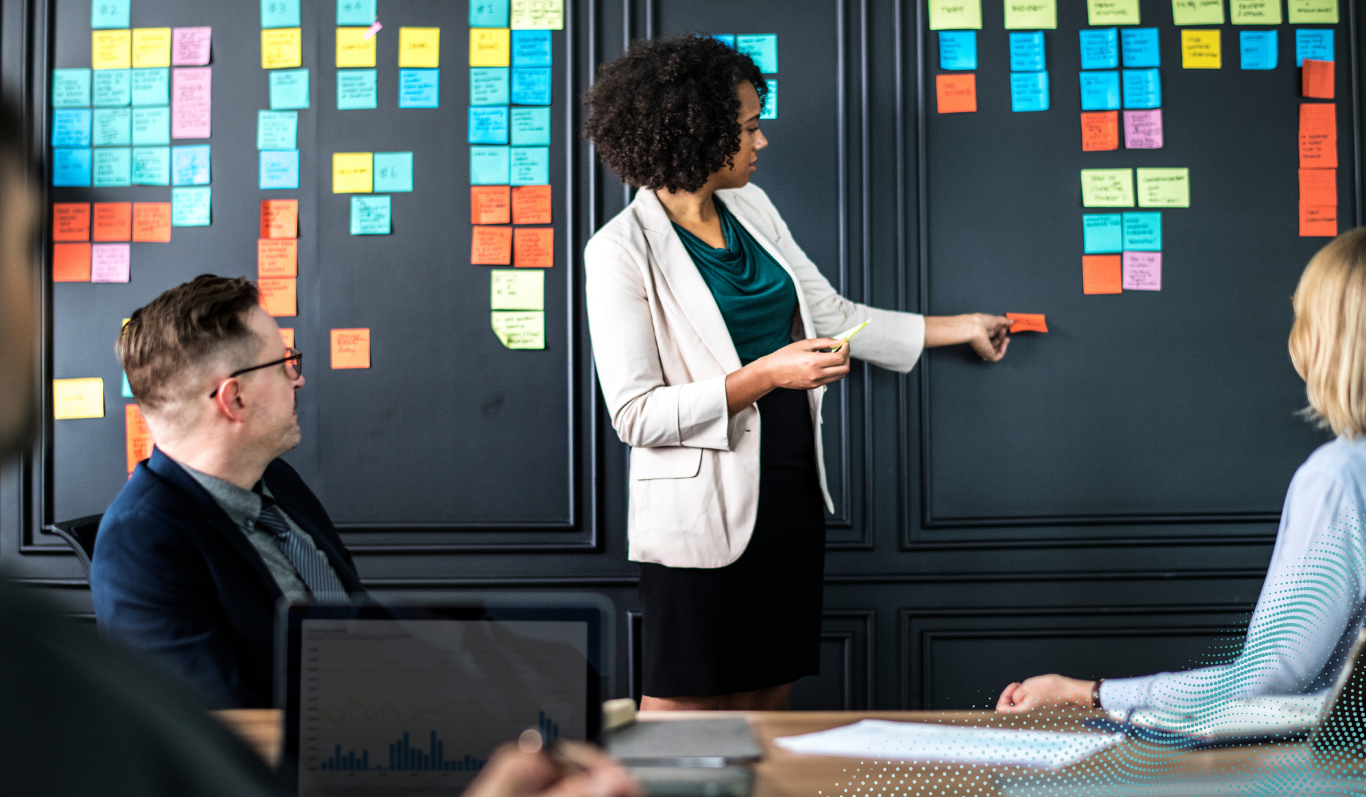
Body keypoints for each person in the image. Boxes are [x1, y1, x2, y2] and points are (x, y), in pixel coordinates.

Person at [582, 34, 1015, 711]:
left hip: (788, 481)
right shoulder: (618, 250)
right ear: (697, 130)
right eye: (750, 125)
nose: (762, 141)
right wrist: (766, 375)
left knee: (767, 698)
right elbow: (635, 413)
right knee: (685, 712)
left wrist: (958, 326)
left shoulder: (752, 208)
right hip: (703, 509)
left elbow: (830, 310)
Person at [997, 229, 1366, 717]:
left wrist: (1083, 693)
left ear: (1329, 339)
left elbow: (1269, 679)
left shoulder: (1338, 478)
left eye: (1304, 319)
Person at [91, 276, 367, 708]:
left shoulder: (278, 481)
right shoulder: (139, 544)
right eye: (284, 364)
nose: (299, 380)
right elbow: (217, 738)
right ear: (234, 398)